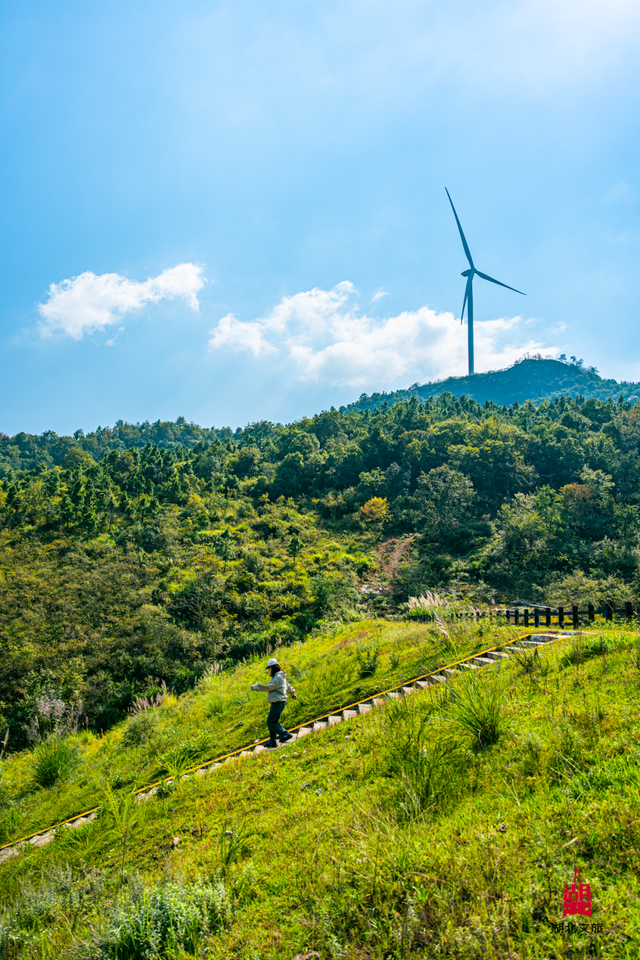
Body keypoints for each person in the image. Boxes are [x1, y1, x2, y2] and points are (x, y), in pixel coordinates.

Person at [250, 658, 297, 748]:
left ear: (273, 667)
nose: (269, 670)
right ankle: (272, 741)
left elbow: (269, 687)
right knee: (272, 721)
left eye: (269, 668)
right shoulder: (281, 677)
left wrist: (255, 687)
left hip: (278, 702)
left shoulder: (277, 677)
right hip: (279, 702)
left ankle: (284, 733)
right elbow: (288, 687)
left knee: (271, 722)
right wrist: (293, 693)